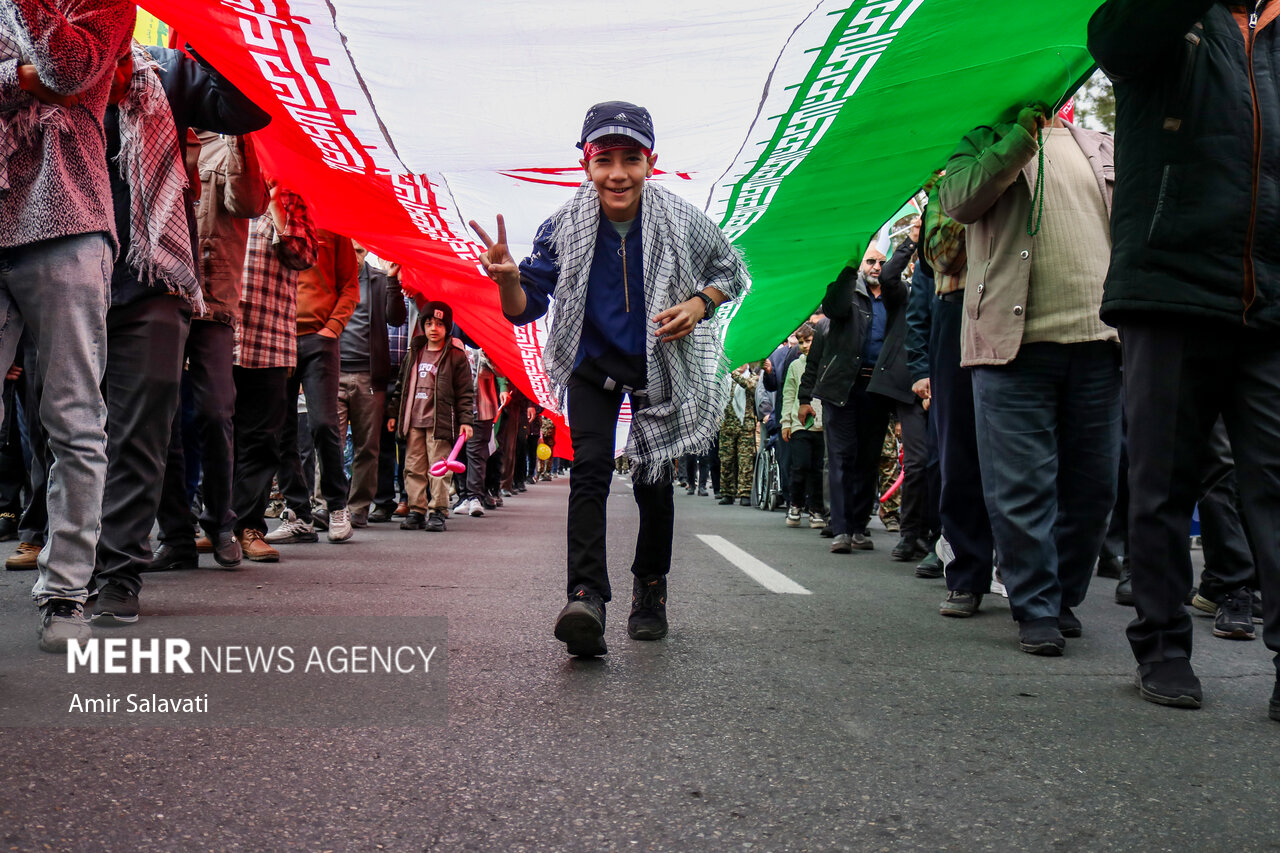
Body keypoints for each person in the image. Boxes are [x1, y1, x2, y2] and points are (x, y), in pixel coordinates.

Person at [470, 100, 748, 656]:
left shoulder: (683, 220)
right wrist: (506, 280)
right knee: (590, 470)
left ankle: (650, 590)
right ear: (585, 163)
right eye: (604, 159)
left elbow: (731, 270)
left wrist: (699, 302)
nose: (617, 172)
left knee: (653, 483)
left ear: (650, 162)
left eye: (630, 158)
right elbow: (526, 307)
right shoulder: (562, 226)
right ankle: (586, 597)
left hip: (660, 365)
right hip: (590, 364)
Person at [1089, 0, 1280, 718]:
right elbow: (1118, 38)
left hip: (1269, 297)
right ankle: (1163, 645)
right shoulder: (1168, 17)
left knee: (1273, 482)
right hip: (1169, 289)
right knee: (1163, 481)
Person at [89, 42, 270, 626]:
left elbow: (247, 109)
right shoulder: (26, 56)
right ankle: (77, 561)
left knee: (150, 430)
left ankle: (119, 571)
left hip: (158, 278)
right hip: (57, 268)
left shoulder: (163, 69)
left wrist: (214, 35)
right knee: (71, 431)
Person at [940, 104, 1120, 657]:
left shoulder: (1102, 143)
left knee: (1092, 490)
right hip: (1008, 346)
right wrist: (1020, 136)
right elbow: (960, 202)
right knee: (1020, 488)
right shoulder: (980, 141)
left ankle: (1063, 595)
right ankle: (1035, 605)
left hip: (1100, 341)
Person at [1, 0, 136, 651]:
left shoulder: (108, 4)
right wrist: (18, 79)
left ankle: (65, 592)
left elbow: (66, 65)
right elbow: (37, 76)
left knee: (74, 416)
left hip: (70, 217)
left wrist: (29, 71)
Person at [152, 129, 267, 571]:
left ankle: (220, 522)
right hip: (160, 295)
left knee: (216, 412)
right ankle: (175, 535)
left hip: (214, 304)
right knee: (159, 418)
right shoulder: (158, 131)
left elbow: (251, 204)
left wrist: (240, 138)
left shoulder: (229, 142)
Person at [231, 183, 318, 562]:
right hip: (221, 330)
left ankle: (247, 526)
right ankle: (217, 524)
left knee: (263, 439)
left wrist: (275, 207)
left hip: (270, 338)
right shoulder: (219, 187)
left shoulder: (291, 200)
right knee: (214, 429)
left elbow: (303, 256)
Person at [799, 245, 906, 554]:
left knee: (868, 460)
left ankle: (859, 526)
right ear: (861, 266)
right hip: (841, 390)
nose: (876, 267)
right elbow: (832, 309)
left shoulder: (896, 298)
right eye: (870, 261)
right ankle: (842, 529)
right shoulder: (846, 295)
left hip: (878, 390)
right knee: (842, 458)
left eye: (882, 263)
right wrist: (847, 269)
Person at [267, 229, 360, 544]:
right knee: (282, 429)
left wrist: (332, 328)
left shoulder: (334, 227)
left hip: (320, 339)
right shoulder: (276, 220)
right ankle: (299, 515)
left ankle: (337, 506)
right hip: (279, 336)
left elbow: (349, 285)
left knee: (323, 424)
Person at [388, 301, 474, 532]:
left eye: (439, 324)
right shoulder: (414, 353)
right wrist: (393, 414)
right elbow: (401, 387)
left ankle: (438, 511)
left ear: (447, 328)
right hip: (413, 421)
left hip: (440, 423)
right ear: (422, 326)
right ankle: (417, 510)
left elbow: (465, 392)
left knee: (439, 469)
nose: (433, 328)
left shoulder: (456, 356)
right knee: (413, 467)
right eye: (428, 323)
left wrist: (466, 421)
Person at [337, 243, 406, 527]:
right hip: (333, 370)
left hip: (369, 376)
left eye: (360, 251)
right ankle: (325, 505)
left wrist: (393, 282)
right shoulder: (330, 276)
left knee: (368, 446)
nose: (354, 256)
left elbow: (397, 317)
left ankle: (358, 508)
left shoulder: (379, 280)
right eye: (349, 250)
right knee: (329, 441)